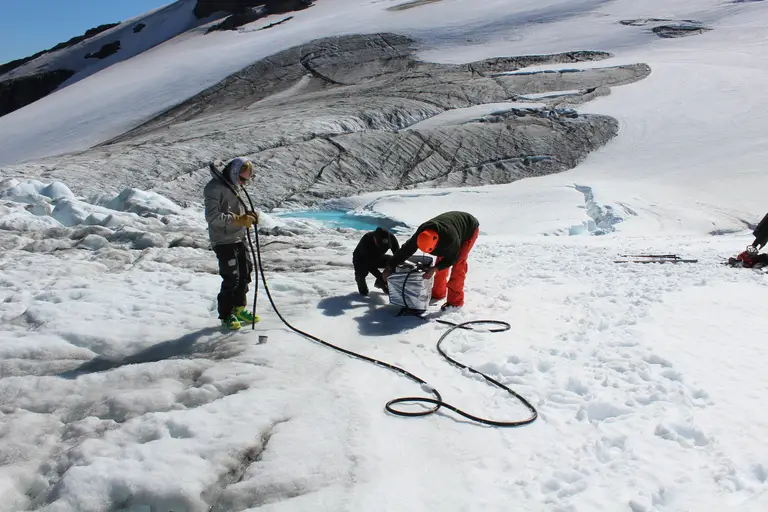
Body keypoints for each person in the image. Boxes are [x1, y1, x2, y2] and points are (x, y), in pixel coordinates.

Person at [204, 157, 261, 330]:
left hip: (238, 237)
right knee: (232, 278)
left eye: (246, 180)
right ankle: (226, 314)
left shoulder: (234, 186)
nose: (244, 183)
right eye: (242, 178)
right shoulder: (214, 188)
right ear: (234, 172)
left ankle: (239, 308)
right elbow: (213, 217)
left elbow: (237, 210)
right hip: (223, 240)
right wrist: (239, 219)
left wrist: (249, 215)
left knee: (246, 272)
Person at [382, 211, 479, 310]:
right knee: (440, 263)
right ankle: (438, 293)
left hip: (469, 229)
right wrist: (390, 266)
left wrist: (435, 268)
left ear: (436, 242)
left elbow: (452, 258)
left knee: (458, 265)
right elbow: (406, 250)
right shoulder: (421, 234)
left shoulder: (450, 238)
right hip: (451, 228)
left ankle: (455, 302)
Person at [353, 227, 400, 296]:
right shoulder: (366, 240)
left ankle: (382, 283)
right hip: (361, 259)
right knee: (360, 276)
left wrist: (390, 268)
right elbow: (369, 265)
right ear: (374, 238)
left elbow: (398, 256)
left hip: (379, 257)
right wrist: (382, 279)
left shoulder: (392, 238)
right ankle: (363, 294)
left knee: (393, 262)